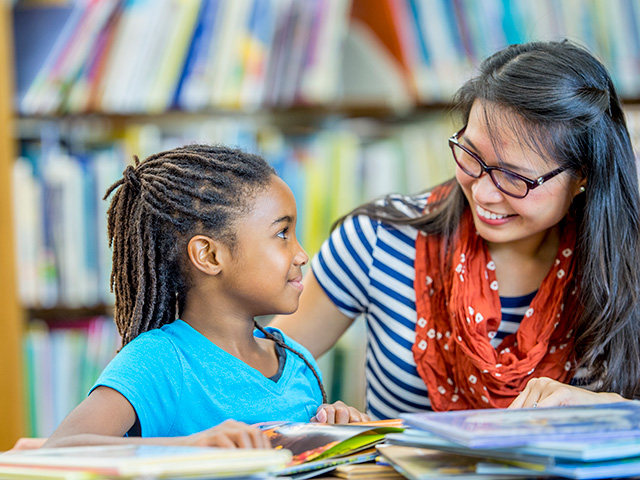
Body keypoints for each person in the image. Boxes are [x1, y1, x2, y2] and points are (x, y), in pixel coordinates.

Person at [271, 40, 640, 418]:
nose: (482, 192)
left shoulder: (627, 262)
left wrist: (617, 410)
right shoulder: (377, 239)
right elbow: (252, 379)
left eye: (515, 178)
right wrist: (327, 424)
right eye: (471, 154)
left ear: (583, 176)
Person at [43, 145, 369, 449]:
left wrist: (335, 428)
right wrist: (192, 447)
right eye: (282, 234)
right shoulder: (160, 361)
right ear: (209, 255)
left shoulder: (298, 362)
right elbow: (58, 450)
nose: (301, 255)